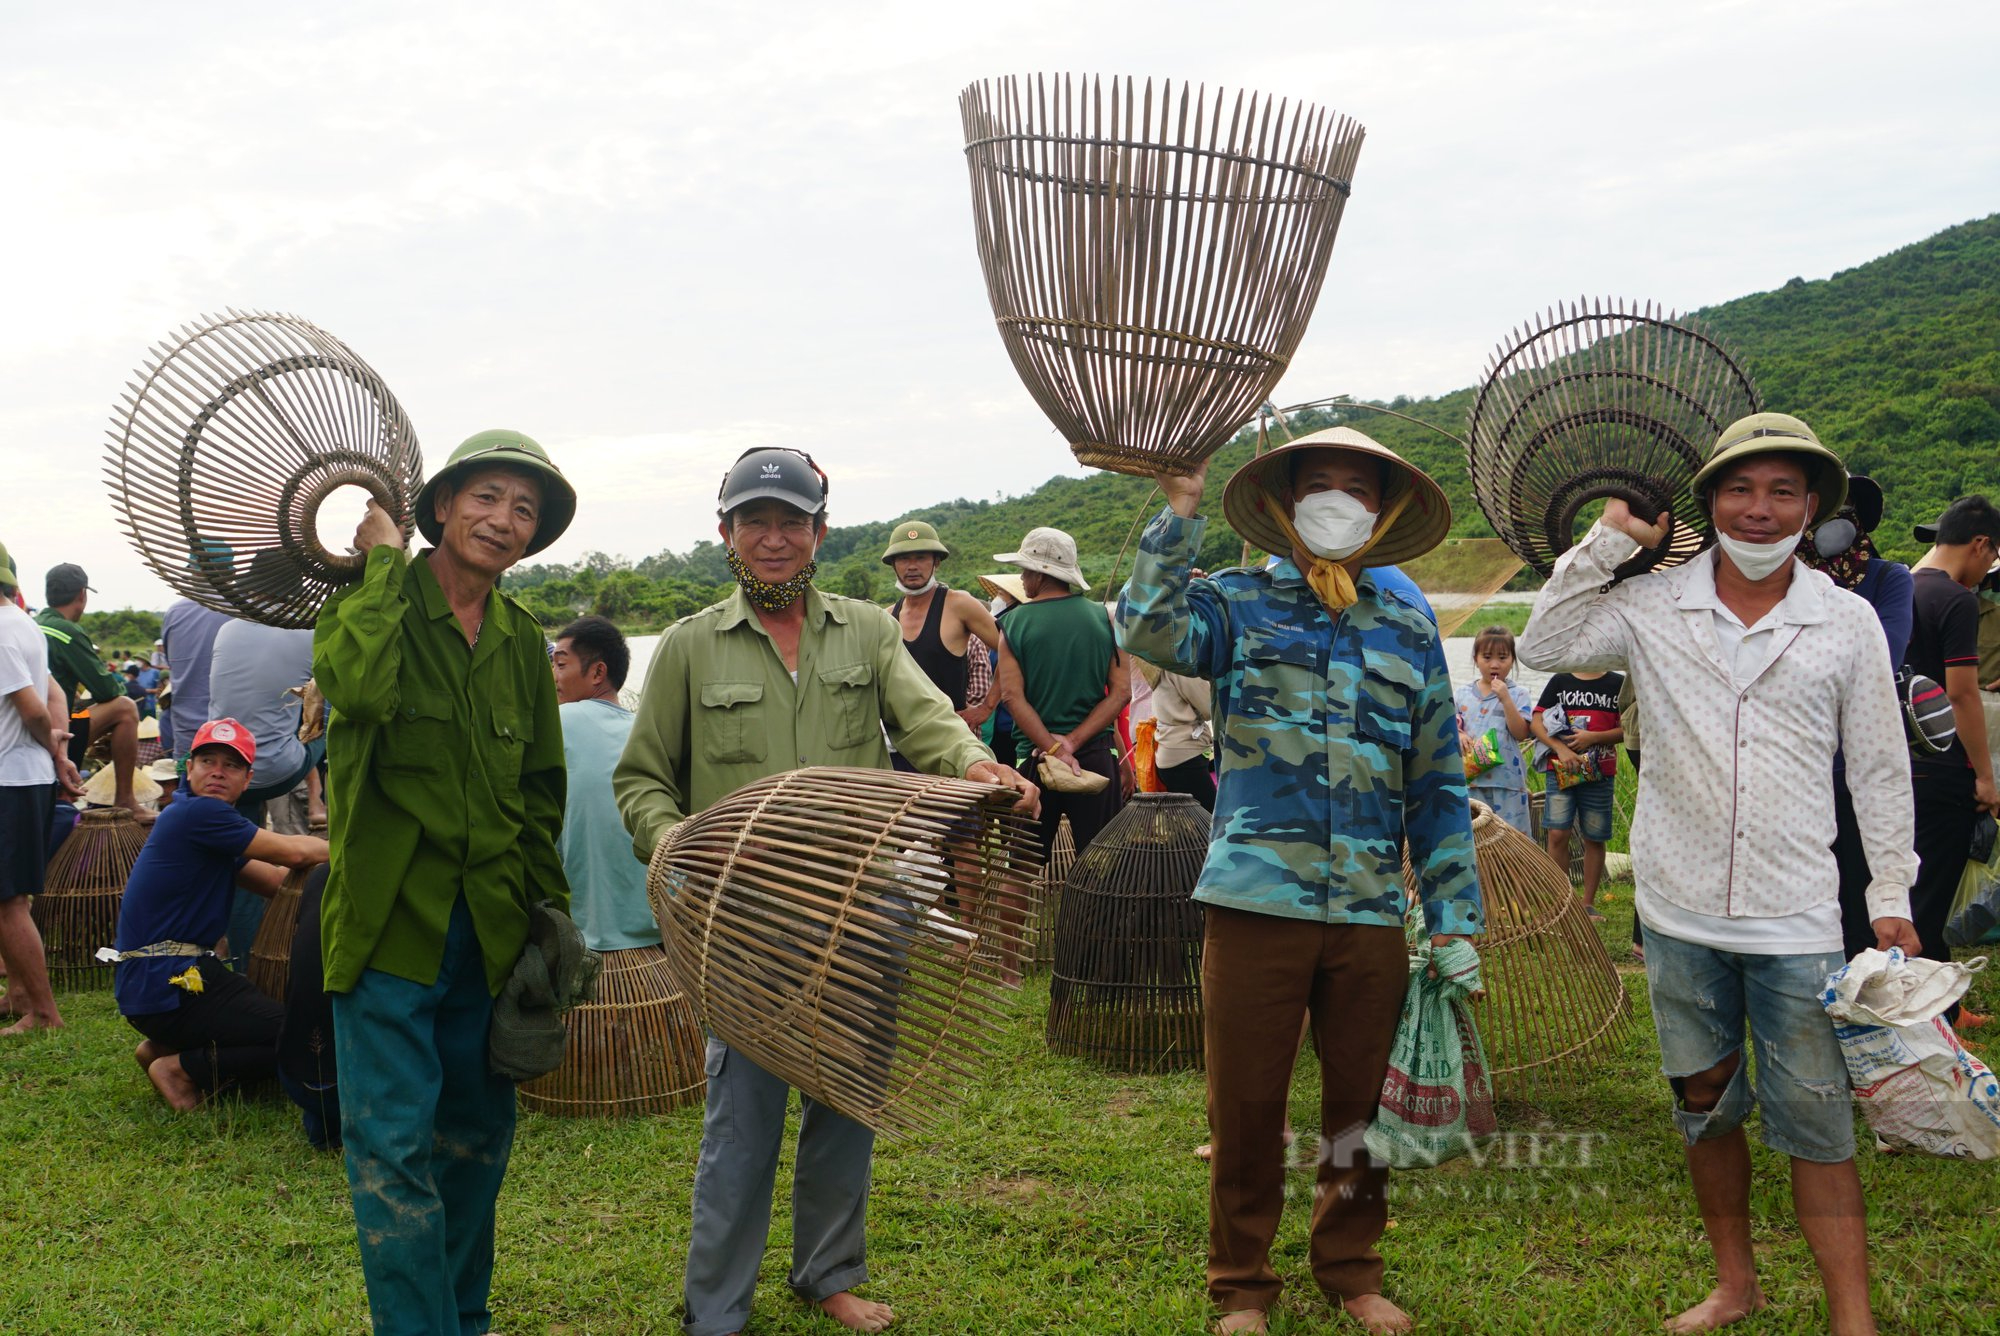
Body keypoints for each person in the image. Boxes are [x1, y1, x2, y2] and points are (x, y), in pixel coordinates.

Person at [614, 447, 1037, 1336]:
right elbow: (642, 780)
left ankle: (828, 1272)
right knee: (742, 1122)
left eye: (792, 522)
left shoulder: (869, 633)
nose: (775, 538)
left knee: (847, 1100)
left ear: (821, 533)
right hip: (745, 925)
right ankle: (717, 1309)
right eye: (756, 522)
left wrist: (979, 765)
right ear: (725, 532)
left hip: (863, 906)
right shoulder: (691, 644)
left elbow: (928, 724)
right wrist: (674, 846)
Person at [1518, 412, 1920, 1336]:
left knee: (1818, 1123)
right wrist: (1613, 534)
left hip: (1798, 918)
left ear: (1811, 508)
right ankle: (1735, 1285)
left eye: (1783, 492)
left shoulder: (1846, 620)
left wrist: (1889, 894)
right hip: (1678, 908)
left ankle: (1850, 1318)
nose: (1760, 510)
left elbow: (1879, 766)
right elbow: (1545, 644)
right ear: (1707, 505)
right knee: (1706, 1106)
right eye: (1740, 489)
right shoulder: (1652, 604)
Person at [1117, 426, 1483, 1336]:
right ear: (1284, 502)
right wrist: (1177, 512)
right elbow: (1144, 629)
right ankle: (1241, 1285)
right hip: (1254, 900)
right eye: (1318, 483)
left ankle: (1351, 1268)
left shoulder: (1405, 625)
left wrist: (1453, 916)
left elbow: (1437, 781)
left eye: (1357, 488)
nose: (1338, 501)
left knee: (1359, 1103)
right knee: (1246, 1101)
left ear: (1381, 510)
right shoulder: (1233, 603)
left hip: (1367, 906)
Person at [315, 428, 575, 1336]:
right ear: (438, 508)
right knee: (391, 1152)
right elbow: (356, 690)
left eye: (524, 510)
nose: (503, 521)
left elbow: (540, 794)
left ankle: (464, 1320)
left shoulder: (519, 638)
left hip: (492, 932)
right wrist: (385, 566)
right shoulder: (365, 611)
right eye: (485, 497)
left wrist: (552, 924)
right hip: (393, 928)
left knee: (474, 1146)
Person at [107, 718, 329, 1109]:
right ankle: (179, 1067)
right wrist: (357, 845)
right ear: (188, 769)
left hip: (156, 984)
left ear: (247, 780)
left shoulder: (204, 826)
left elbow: (277, 882)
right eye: (207, 761)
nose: (216, 772)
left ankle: (161, 1047)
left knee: (263, 1018)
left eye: (230, 765)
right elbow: (295, 854)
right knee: (293, 1035)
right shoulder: (200, 816)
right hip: (171, 982)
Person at [1806, 475, 1916, 960]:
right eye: (1830, 508)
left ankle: (1864, 991)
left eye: (1849, 510)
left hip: (1856, 763)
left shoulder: (1888, 579)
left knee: (1861, 892)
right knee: (1813, 895)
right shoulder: (1784, 582)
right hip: (1802, 769)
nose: (1839, 520)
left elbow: (1883, 658)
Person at [1903, 497, 2000, 987]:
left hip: (1897, 764)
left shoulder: (1896, 587)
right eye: (1992, 556)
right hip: (1942, 767)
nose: (1987, 570)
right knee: (1932, 895)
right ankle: (1926, 1006)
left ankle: (1944, 1003)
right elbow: (1961, 694)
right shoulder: (1956, 599)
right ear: (1980, 543)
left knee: (1906, 887)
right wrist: (1984, 776)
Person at [209, 557, 324, 960]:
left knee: (242, 862)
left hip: (222, 765)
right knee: (337, 722)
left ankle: (240, 960)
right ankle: (325, 800)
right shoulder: (309, 632)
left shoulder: (227, 628)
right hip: (274, 770)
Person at [994, 526, 1130, 861]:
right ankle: (1092, 917)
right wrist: (1073, 743)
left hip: (1035, 761)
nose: (1022, 579)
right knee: (1099, 868)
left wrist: (1053, 747)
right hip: (1097, 759)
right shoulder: (1106, 619)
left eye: (1025, 570)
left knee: (1020, 870)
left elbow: (1013, 698)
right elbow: (1120, 693)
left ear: (1040, 574)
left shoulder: (1014, 623)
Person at [1, 542, 83, 1035]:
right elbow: (53, 692)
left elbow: (33, 708)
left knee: (6, 902)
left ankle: (45, 1014)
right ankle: (17, 996)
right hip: (27, 774)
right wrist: (58, 755)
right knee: (14, 896)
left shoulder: (2, 629)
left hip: (8, 776)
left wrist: (47, 741)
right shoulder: (25, 624)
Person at [550, 615, 658, 953]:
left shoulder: (561, 721)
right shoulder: (648, 729)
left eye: (560, 665)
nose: (552, 676)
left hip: (585, 931)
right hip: (658, 926)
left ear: (597, 673)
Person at [880, 520, 1005, 756]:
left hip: (951, 744)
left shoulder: (959, 605)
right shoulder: (887, 618)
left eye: (921, 557)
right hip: (901, 747)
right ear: (893, 564)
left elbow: (1011, 652)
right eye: (904, 559)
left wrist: (987, 707)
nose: (912, 566)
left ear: (936, 561)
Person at [36, 562, 150, 822]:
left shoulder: (34, 625)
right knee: (124, 707)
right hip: (53, 737)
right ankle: (126, 800)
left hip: (28, 729)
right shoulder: (66, 632)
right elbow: (106, 690)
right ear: (81, 595)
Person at [1529, 666, 1624, 915]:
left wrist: (1593, 737)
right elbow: (1537, 722)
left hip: (1600, 774)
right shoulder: (1560, 680)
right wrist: (1559, 748)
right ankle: (1564, 902)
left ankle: (1587, 904)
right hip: (1560, 771)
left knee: (1594, 836)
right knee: (1557, 833)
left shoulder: (1618, 683)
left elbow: (1629, 729)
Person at [1456, 625, 1534, 835]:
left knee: (1513, 839)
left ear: (1512, 660)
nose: (1495, 664)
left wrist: (1506, 699)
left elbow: (1521, 733)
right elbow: (1450, 726)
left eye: (1503, 657)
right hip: (1471, 783)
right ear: (1476, 659)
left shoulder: (1519, 694)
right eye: (1487, 657)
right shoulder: (1461, 694)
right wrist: (1460, 734)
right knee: (1477, 841)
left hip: (1507, 782)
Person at [161, 593, 230, 769]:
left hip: (187, 737)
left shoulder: (175, 611)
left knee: (187, 785)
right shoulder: (241, 609)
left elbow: (172, 663)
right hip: (229, 736)